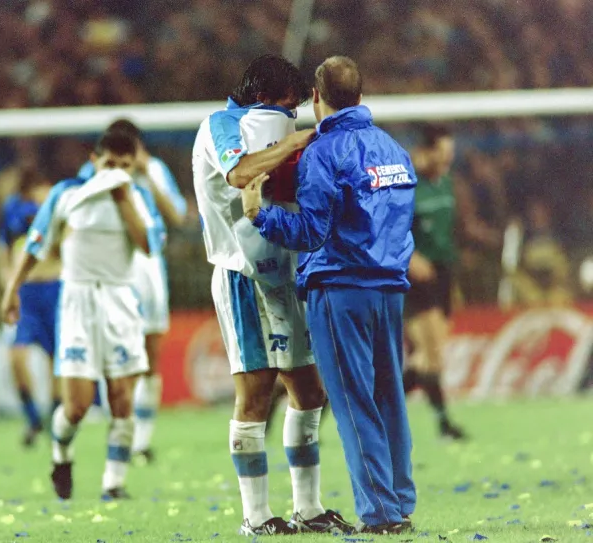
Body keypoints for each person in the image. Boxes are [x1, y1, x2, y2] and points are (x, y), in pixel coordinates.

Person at [242, 56, 417, 535]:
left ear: (315, 99)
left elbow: (310, 232)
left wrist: (260, 215)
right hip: (389, 289)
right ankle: (399, 501)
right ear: (360, 97)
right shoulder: (394, 149)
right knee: (388, 398)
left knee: (354, 402)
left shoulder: (324, 152)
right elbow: (403, 225)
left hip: (342, 288)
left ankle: (380, 515)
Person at [192, 54, 352, 536]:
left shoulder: (280, 128)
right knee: (256, 392)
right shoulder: (221, 125)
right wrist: (298, 140)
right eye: (288, 105)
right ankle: (256, 517)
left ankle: (308, 507)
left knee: (309, 392)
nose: (293, 115)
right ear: (265, 96)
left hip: (284, 273)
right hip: (241, 274)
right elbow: (240, 176)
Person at [1, 131, 160, 501]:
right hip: (77, 299)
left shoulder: (138, 197)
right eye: (110, 165)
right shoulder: (67, 194)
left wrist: (123, 202)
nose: (117, 172)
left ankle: (114, 483)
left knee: (122, 397)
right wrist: (11, 290)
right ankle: (61, 454)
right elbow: (35, 244)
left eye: (124, 166)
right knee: (77, 406)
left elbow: (149, 246)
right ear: (95, 161)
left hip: (120, 299)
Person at [78, 119, 185, 463]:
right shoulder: (92, 171)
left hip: (148, 268)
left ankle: (141, 441)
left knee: (150, 356)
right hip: (109, 268)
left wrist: (148, 175)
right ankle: (118, 432)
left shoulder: (154, 170)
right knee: (116, 356)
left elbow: (177, 217)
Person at [404, 125, 467, 440]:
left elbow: (453, 230)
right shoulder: (407, 184)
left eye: (450, 155)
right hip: (415, 277)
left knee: (424, 358)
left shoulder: (447, 184)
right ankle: (443, 424)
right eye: (441, 155)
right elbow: (388, 227)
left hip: (443, 274)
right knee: (431, 355)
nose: (446, 161)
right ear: (425, 152)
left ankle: (372, 409)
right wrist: (410, 256)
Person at [0, 167, 63, 447]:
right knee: (16, 356)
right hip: (25, 293)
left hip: (54, 289)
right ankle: (33, 417)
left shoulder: (60, 212)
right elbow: (3, 251)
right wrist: (8, 285)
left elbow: (65, 248)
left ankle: (55, 420)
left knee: (55, 359)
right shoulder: (13, 211)